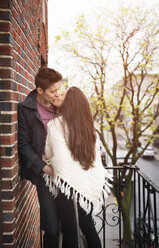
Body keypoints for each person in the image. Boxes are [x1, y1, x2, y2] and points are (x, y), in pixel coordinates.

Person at [43, 86, 113, 248]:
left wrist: (45, 159)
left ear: (69, 103)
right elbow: (94, 160)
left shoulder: (55, 124)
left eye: (64, 94)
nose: (60, 94)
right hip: (86, 185)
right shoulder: (88, 127)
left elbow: (57, 158)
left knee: (69, 230)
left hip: (66, 186)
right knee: (88, 227)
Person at [18, 67, 62, 248]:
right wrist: (45, 168)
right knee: (51, 228)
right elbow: (24, 145)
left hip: (66, 173)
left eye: (59, 89)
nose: (57, 94)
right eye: (53, 91)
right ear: (40, 90)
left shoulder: (61, 106)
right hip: (45, 174)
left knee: (68, 225)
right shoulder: (26, 109)